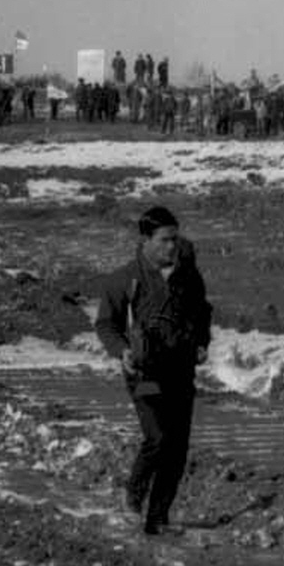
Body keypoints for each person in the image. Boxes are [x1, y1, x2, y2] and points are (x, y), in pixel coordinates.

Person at [94, 205, 213, 535]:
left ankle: (158, 519)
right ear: (146, 240)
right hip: (144, 372)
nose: (171, 246)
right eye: (164, 240)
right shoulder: (124, 279)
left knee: (177, 447)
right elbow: (106, 323)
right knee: (157, 437)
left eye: (175, 239)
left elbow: (202, 312)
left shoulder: (189, 276)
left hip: (180, 369)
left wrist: (202, 341)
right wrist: (122, 352)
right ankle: (132, 499)